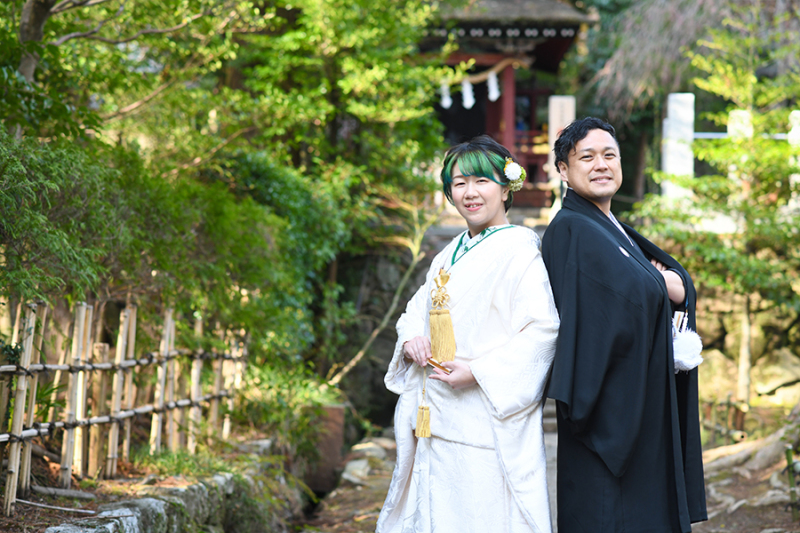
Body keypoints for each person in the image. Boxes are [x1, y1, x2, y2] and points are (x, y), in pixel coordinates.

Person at [376, 135, 560, 533]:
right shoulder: (450, 251)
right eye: (459, 183)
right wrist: (411, 340)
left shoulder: (520, 250)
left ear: (505, 187)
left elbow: (542, 330)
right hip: (436, 412)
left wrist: (478, 372)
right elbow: (415, 309)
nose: (470, 193)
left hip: (482, 417)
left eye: (481, 181)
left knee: (480, 516)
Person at [541, 117, 707, 532]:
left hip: (640, 398)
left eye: (609, 155)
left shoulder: (611, 228)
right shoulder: (571, 229)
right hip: (607, 410)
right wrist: (662, 283)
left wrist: (670, 283)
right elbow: (611, 306)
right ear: (563, 169)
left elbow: (664, 283)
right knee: (609, 514)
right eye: (587, 157)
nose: (601, 164)